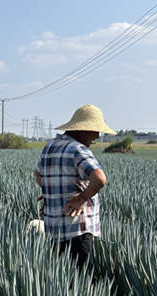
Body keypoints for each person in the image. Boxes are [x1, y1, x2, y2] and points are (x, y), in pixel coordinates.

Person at [34, 104, 114, 271]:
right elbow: (100, 179)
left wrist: (51, 192)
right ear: (82, 130)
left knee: (64, 279)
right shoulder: (78, 149)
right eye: (95, 130)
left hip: (54, 229)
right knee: (83, 282)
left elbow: (38, 174)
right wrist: (82, 198)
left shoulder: (50, 146)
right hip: (78, 229)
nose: (97, 135)